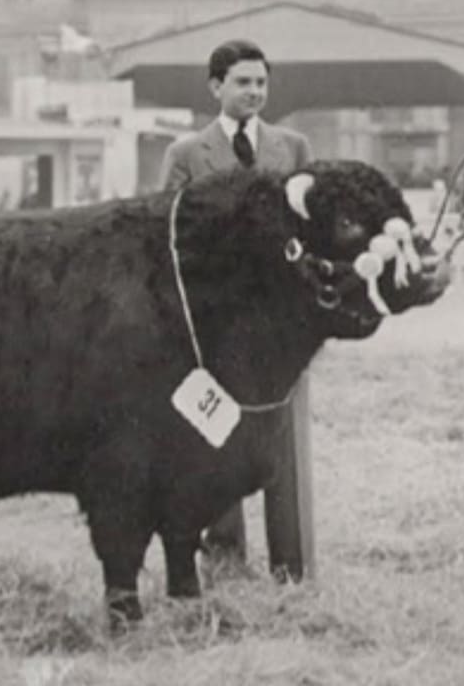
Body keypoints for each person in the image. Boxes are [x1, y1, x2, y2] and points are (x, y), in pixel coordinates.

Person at [159, 39, 313, 582]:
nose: (253, 92)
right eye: (242, 82)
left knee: (283, 443)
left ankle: (292, 567)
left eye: (261, 83)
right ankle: (225, 564)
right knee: (218, 437)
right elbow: (165, 237)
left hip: (280, 328)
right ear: (215, 87)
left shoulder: (293, 148)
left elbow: (309, 233)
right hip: (214, 330)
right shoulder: (185, 155)